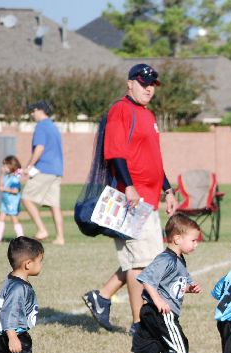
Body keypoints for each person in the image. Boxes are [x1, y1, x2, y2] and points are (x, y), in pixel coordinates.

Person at [82, 64, 178, 334]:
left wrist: (168, 190)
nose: (148, 88)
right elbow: (115, 153)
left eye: (152, 84)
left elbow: (153, 160)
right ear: (130, 84)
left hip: (149, 197)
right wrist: (129, 187)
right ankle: (139, 323)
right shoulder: (121, 110)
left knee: (144, 258)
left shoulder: (148, 114)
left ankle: (102, 296)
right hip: (132, 198)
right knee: (141, 262)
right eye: (143, 83)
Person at [101, 214, 202, 353]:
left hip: (154, 313)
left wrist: (189, 288)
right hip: (160, 313)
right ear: (177, 238)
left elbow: (172, 286)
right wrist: (158, 300)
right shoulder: (165, 259)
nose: (196, 244)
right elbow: (146, 279)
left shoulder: (179, 259)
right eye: (193, 240)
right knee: (181, 347)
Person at [21, 100, 65, 245]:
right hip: (57, 170)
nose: (32, 114)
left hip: (44, 169)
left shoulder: (41, 126)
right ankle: (60, 238)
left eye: (33, 111)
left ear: (40, 110)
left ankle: (42, 230)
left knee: (26, 198)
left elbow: (40, 148)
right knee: (54, 205)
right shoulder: (53, 127)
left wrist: (29, 166)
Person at [0, 156, 25, 243]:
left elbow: (16, 190)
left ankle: (21, 238)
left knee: (14, 219)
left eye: (5, 165)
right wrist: (2, 174)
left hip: (12, 202)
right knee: (1, 217)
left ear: (11, 166)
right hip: (5, 201)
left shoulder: (15, 179)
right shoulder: (6, 176)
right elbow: (1, 185)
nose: (3, 167)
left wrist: (5, 189)